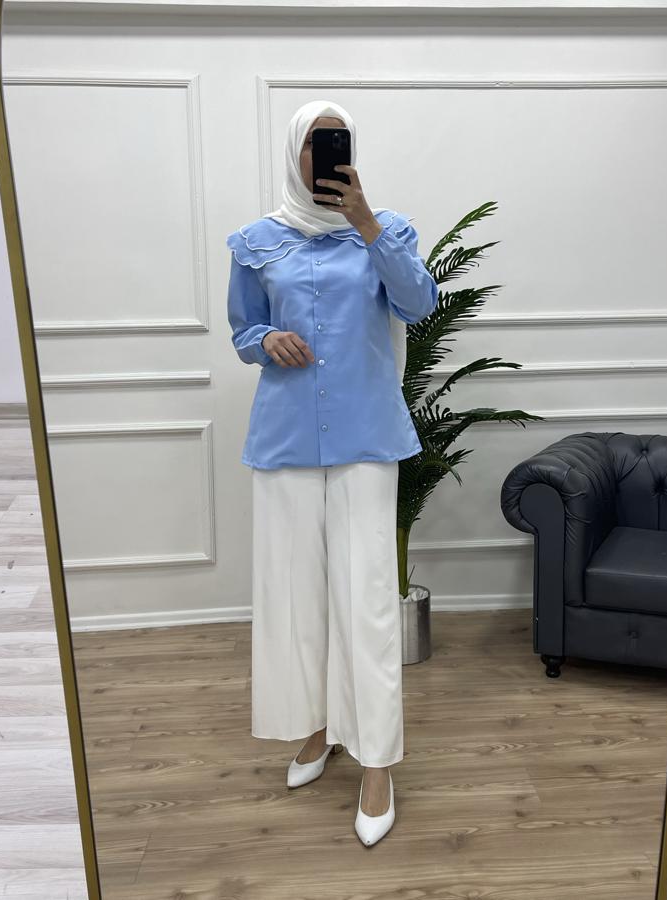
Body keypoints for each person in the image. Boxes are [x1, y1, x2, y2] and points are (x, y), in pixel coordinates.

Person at [226, 99, 439, 847]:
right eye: (313, 144)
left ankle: (377, 763)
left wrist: (367, 222)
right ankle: (315, 728)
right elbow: (242, 329)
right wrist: (265, 341)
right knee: (295, 598)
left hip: (365, 440)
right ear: (294, 153)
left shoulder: (386, 230)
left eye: (335, 143)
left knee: (369, 602)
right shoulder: (256, 242)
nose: (324, 155)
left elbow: (419, 303)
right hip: (285, 438)